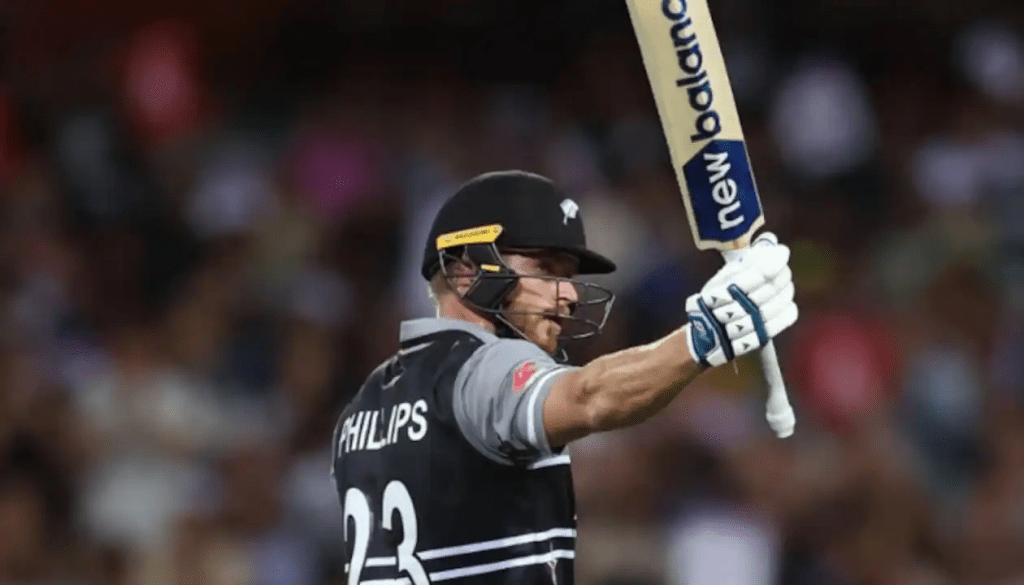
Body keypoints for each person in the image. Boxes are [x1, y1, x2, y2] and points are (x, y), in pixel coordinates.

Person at [330, 170, 798, 584]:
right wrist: (706, 336)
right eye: (545, 269)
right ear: (467, 272)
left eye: (569, 276)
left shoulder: (362, 407)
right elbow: (587, 397)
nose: (570, 295)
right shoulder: (484, 369)